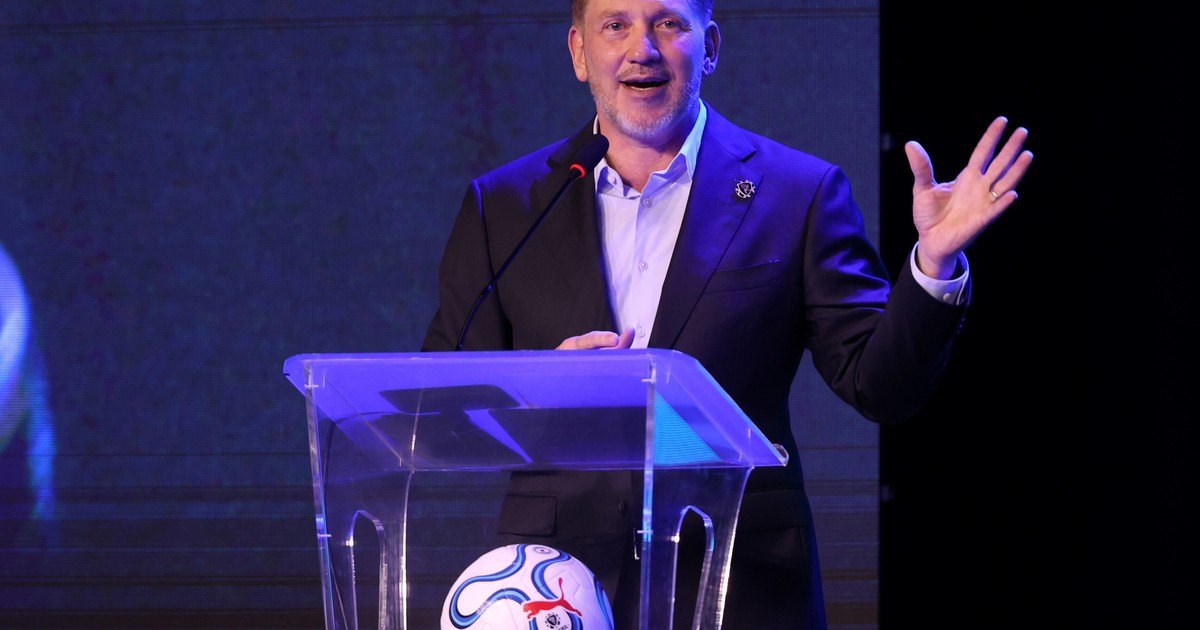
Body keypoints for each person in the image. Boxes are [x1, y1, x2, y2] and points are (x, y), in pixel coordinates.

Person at [422, 0, 1033, 627]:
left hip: (742, 582)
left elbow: (880, 386)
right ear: (580, 52)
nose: (642, 50)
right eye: (615, 25)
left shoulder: (797, 191)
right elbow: (437, 411)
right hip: (555, 589)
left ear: (709, 46)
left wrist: (933, 263)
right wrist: (539, 387)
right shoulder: (505, 205)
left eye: (668, 23)